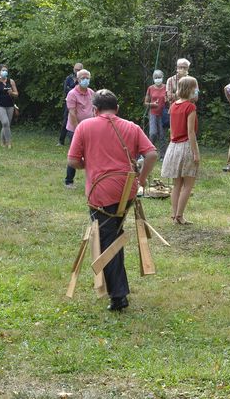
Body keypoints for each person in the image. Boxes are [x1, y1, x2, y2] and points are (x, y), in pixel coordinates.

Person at [67, 89, 157, 311]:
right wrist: (141, 180)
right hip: (126, 192)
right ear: (117, 108)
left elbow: (72, 160)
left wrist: (88, 165)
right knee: (112, 235)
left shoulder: (85, 126)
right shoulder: (132, 127)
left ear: (95, 110)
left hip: (101, 193)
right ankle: (116, 291)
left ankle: (118, 296)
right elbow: (152, 154)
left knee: (107, 240)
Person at [161, 76, 200, 225]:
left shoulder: (173, 106)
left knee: (177, 185)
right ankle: (180, 216)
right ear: (190, 89)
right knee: (188, 185)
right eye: (195, 87)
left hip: (173, 146)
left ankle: (174, 214)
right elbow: (191, 133)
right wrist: (195, 153)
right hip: (186, 147)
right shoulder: (190, 107)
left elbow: (172, 130)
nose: (197, 90)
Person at [64, 69, 94, 189]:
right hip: (74, 129)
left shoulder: (91, 93)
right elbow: (72, 113)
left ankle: (92, 180)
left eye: (87, 78)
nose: (85, 80)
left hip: (90, 128)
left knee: (91, 154)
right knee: (75, 155)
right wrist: (78, 130)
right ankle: (68, 181)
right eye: (83, 78)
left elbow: (95, 110)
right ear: (77, 79)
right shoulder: (72, 94)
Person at [0, 64, 19, 149]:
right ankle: (9, 142)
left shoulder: (11, 81)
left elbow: (16, 94)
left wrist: (11, 93)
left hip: (10, 104)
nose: (4, 72)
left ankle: (2, 141)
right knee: (5, 122)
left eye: (6, 70)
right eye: (3, 70)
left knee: (7, 124)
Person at [58, 63, 83, 146]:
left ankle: (76, 140)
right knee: (66, 120)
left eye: (79, 70)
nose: (77, 71)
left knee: (80, 119)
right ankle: (61, 141)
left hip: (81, 103)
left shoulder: (84, 79)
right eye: (75, 69)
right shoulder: (69, 78)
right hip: (70, 102)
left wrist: (72, 88)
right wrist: (75, 83)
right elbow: (66, 90)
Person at [144, 69, 166, 149]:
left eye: (159, 77)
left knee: (162, 134)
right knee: (153, 133)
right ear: (153, 78)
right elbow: (145, 103)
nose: (158, 79)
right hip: (153, 113)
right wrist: (152, 104)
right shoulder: (150, 88)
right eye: (156, 77)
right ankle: (149, 150)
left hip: (163, 113)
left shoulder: (166, 87)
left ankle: (163, 155)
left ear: (162, 77)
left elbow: (170, 99)